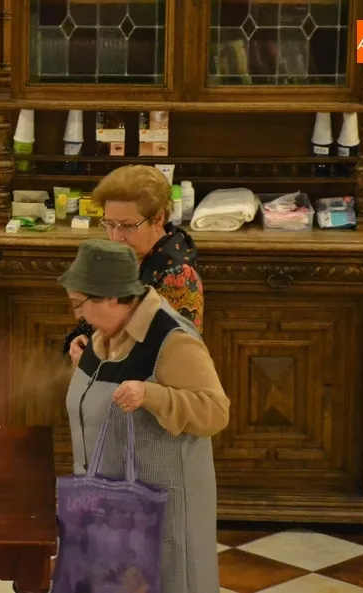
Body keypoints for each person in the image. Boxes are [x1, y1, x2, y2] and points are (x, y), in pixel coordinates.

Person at [58, 239, 228, 592]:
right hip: (110, 514)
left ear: (109, 297)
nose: (77, 316)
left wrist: (152, 395)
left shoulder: (172, 339)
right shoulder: (103, 336)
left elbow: (215, 411)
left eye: (79, 304)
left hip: (160, 516)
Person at [62, 165, 203, 366]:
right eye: (110, 224)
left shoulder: (178, 274)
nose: (115, 237)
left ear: (158, 219)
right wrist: (79, 340)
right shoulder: (122, 254)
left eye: (127, 226)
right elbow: (94, 322)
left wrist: (94, 360)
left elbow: (169, 359)